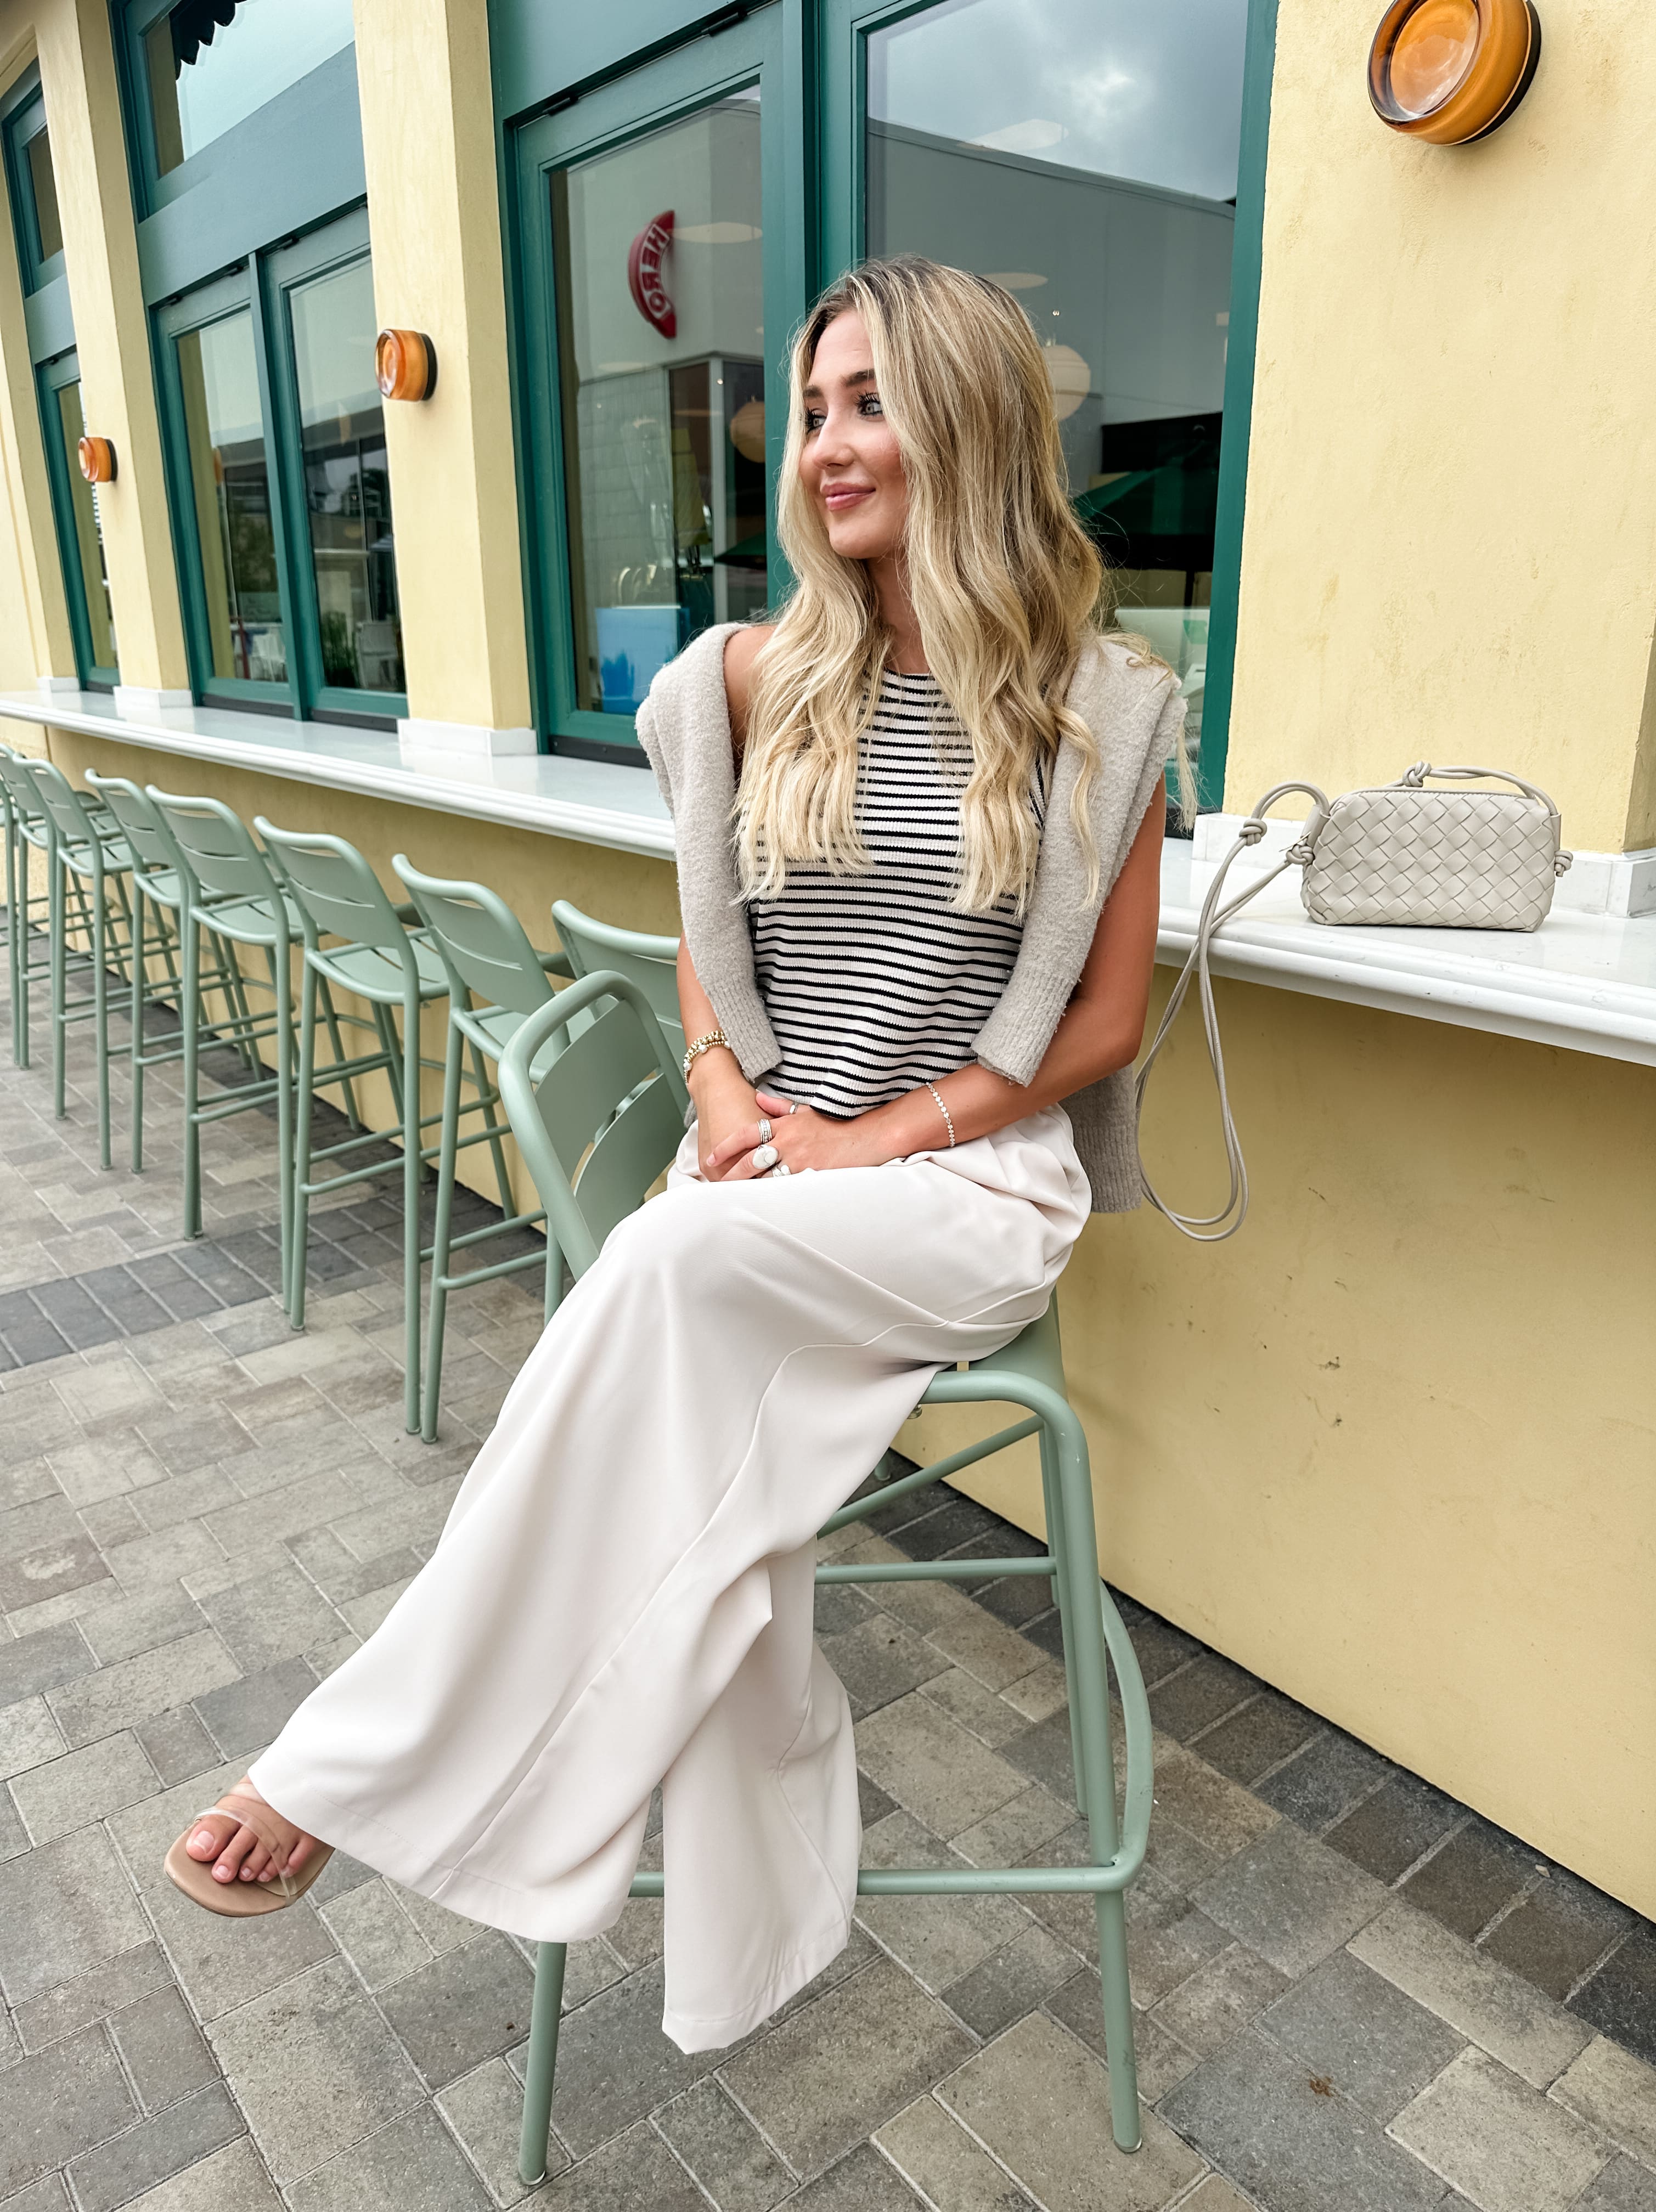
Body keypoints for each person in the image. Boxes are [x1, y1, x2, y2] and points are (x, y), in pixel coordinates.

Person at [164, 254, 1187, 2051]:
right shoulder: (748, 680)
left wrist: (878, 1135)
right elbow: (714, 967)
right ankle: (751, 1904)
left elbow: (1100, 1027)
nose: (822, 448)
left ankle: (344, 1769)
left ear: (966, 420)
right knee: (697, 1435)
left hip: (970, 1187)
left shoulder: (1099, 709)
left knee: (662, 1275)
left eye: (866, 402)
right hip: (776, 1178)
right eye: (809, 413)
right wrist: (725, 1099)